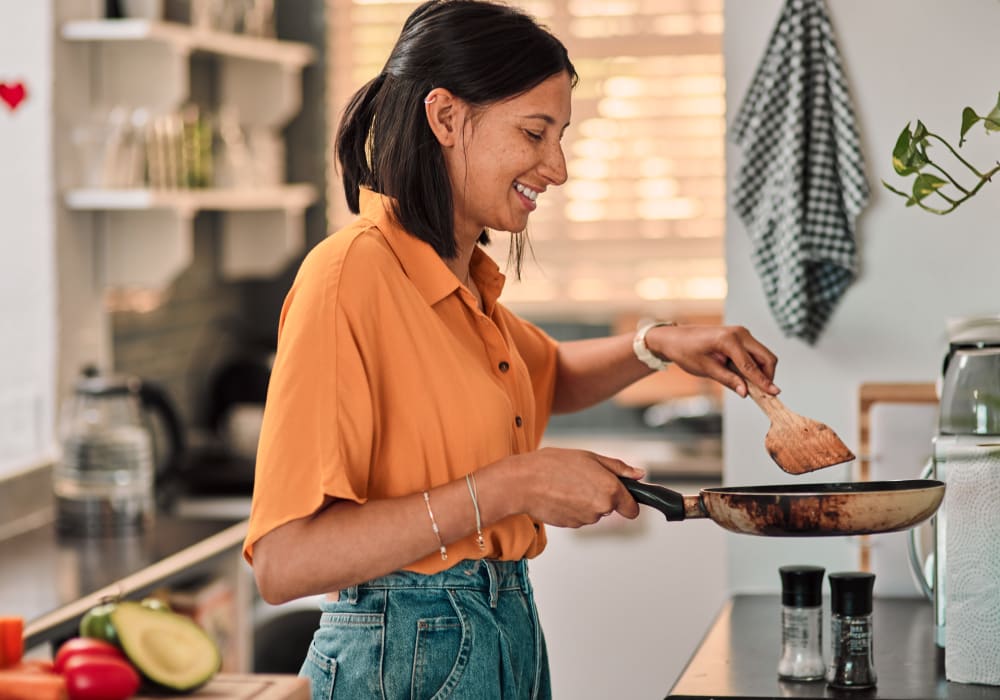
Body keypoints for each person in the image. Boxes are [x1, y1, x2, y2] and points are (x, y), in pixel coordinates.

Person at [243, 1, 779, 697]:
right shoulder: (351, 278)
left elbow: (547, 374)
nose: (555, 167)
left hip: (504, 630)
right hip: (401, 656)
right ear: (445, 119)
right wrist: (513, 486)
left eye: (559, 137)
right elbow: (284, 561)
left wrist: (660, 345)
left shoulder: (459, 282)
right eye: (534, 133)